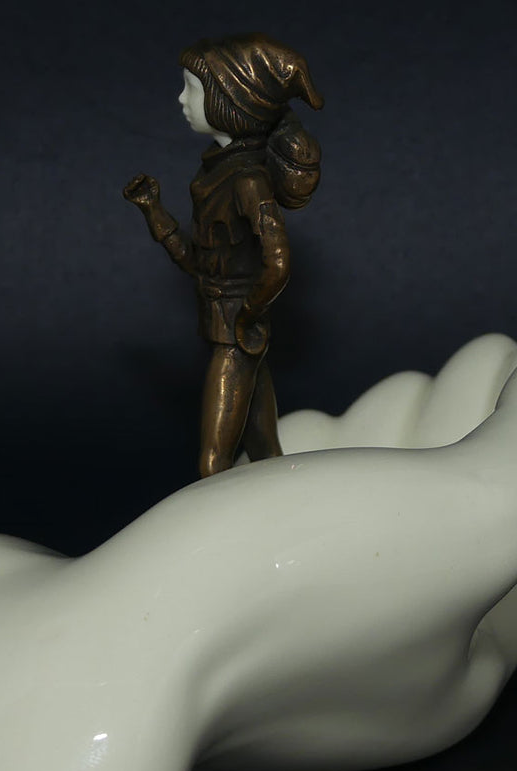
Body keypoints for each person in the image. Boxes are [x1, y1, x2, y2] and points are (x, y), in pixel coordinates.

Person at [125, 33, 323, 477]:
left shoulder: (247, 182)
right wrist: (153, 210)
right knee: (265, 450)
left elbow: (278, 262)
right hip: (230, 327)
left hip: (237, 335)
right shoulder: (214, 175)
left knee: (213, 462)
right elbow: (198, 263)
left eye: (192, 89)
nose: (181, 99)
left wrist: (248, 314)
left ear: (228, 104)